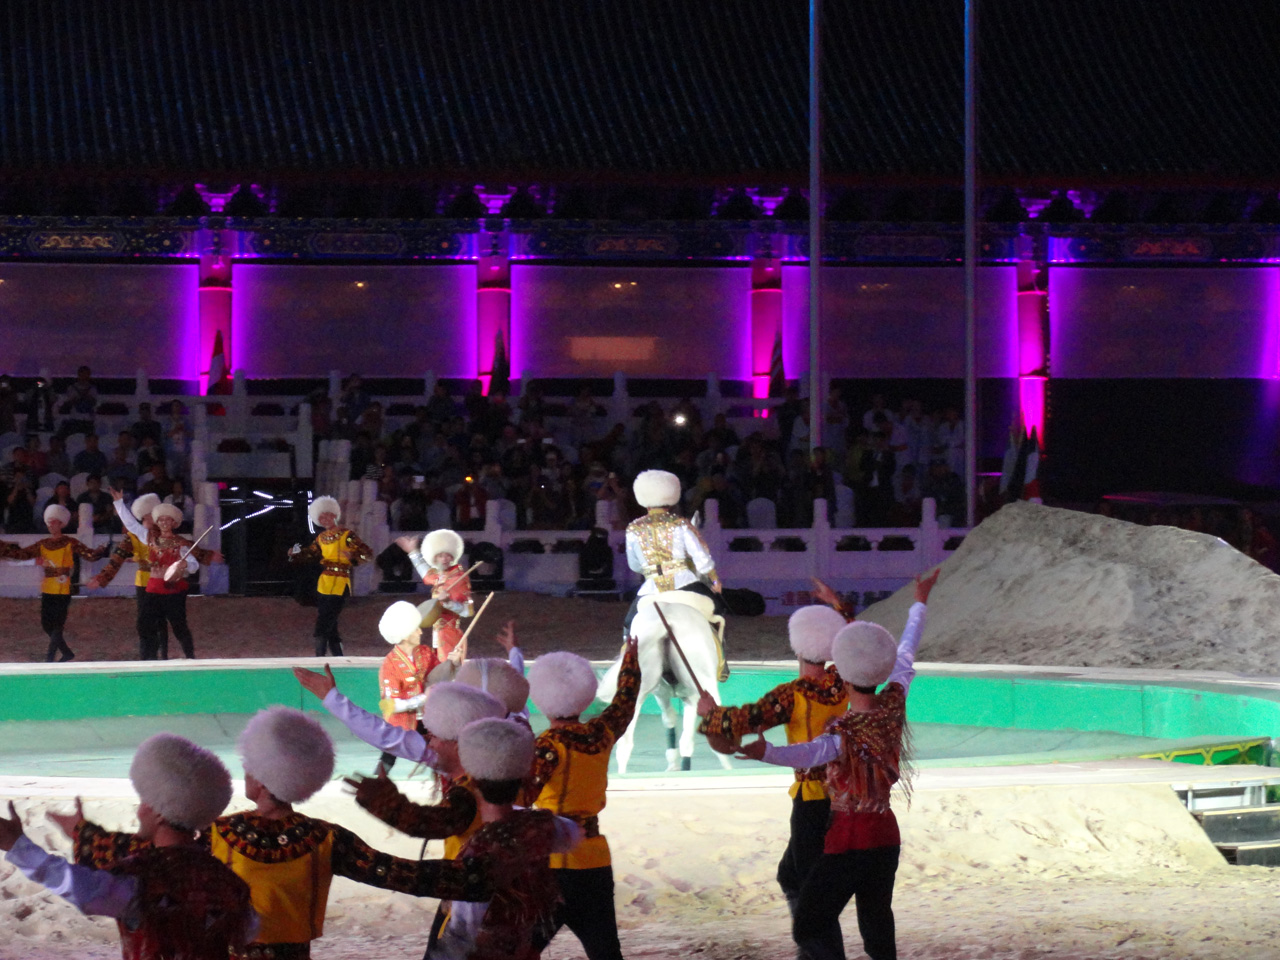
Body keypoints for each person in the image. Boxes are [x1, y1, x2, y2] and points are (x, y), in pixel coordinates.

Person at [69, 707, 488, 960]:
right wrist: (477, 878)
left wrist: (86, 836)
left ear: (263, 780)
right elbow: (402, 874)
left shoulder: (221, 833)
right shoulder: (326, 838)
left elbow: (157, 856)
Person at [736, 570, 938, 960]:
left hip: (848, 840)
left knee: (809, 924)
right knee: (877, 927)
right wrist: (919, 603)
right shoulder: (893, 704)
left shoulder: (842, 733)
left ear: (842, 675)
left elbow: (808, 754)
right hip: (886, 836)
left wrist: (766, 752)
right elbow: (906, 653)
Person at [1, 732, 256, 960]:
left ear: (160, 813)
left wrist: (17, 846)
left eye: (145, 801)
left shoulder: (140, 878)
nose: (139, 810)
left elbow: (79, 888)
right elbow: (249, 929)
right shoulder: (229, 882)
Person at [696, 605, 849, 928]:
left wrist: (711, 713)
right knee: (790, 874)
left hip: (812, 799)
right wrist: (838, 609)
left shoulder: (791, 695)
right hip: (844, 791)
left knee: (807, 885)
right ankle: (811, 942)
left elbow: (745, 719)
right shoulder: (842, 678)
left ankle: (814, 945)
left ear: (797, 648)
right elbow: (855, 644)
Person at [523, 639, 640, 960]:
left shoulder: (547, 745)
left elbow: (521, 796)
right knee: (606, 953)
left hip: (551, 865)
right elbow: (625, 702)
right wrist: (631, 660)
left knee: (521, 951)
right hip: (594, 860)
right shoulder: (601, 733)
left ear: (542, 700)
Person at [623, 468, 728, 680]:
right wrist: (714, 579)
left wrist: (650, 569)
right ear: (670, 499)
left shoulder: (633, 528)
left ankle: (627, 668)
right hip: (684, 582)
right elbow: (700, 557)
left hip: (651, 588)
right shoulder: (680, 524)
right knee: (717, 611)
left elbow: (634, 565)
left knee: (629, 624)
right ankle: (721, 662)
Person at [111, 492, 222, 659]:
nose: (164, 523)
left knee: (178, 626)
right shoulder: (149, 538)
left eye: (167, 520)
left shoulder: (180, 543)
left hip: (173, 590)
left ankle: (190, 657)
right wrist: (119, 503)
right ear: (157, 522)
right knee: (144, 623)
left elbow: (193, 565)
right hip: (153, 588)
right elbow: (131, 524)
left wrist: (185, 565)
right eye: (161, 520)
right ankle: (149, 657)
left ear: (174, 523)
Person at [87, 493, 190, 660]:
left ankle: (165, 656)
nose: (152, 519)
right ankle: (148, 656)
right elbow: (117, 558)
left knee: (165, 621)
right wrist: (101, 578)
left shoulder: (165, 536)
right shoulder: (135, 536)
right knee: (146, 623)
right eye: (148, 516)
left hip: (166, 581)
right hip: (144, 584)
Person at [0, 504, 105, 661]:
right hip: (48, 587)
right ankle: (66, 653)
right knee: (46, 623)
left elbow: (89, 555)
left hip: (63, 587)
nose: (51, 525)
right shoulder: (43, 544)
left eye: (54, 522)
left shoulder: (70, 542)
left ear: (61, 523)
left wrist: (100, 551)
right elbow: (22, 554)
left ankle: (50, 659)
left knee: (57, 624)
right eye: (49, 522)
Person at [287, 495, 374, 656]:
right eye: (321, 518)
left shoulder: (347, 535)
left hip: (341, 582)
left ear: (334, 515)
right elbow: (310, 554)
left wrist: (353, 557)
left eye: (327, 515)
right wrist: (295, 554)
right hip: (324, 583)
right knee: (330, 622)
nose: (325, 520)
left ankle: (319, 656)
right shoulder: (321, 538)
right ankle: (338, 657)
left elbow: (367, 554)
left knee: (325, 620)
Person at [374, 599, 442, 774]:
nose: (420, 632)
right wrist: (424, 698)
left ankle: (450, 783)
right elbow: (390, 705)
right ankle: (376, 784)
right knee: (388, 758)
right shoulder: (390, 665)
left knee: (442, 752)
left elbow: (440, 674)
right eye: (415, 629)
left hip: (426, 718)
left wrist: (453, 663)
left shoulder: (425, 653)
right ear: (404, 635)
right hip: (401, 723)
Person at [398, 528, 474, 660]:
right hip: (438, 632)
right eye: (440, 555)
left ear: (453, 556)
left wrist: (448, 603)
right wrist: (413, 552)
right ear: (435, 558)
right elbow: (426, 574)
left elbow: (468, 611)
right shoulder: (440, 576)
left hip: (450, 634)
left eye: (447, 555)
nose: (444, 559)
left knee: (448, 668)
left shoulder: (458, 579)